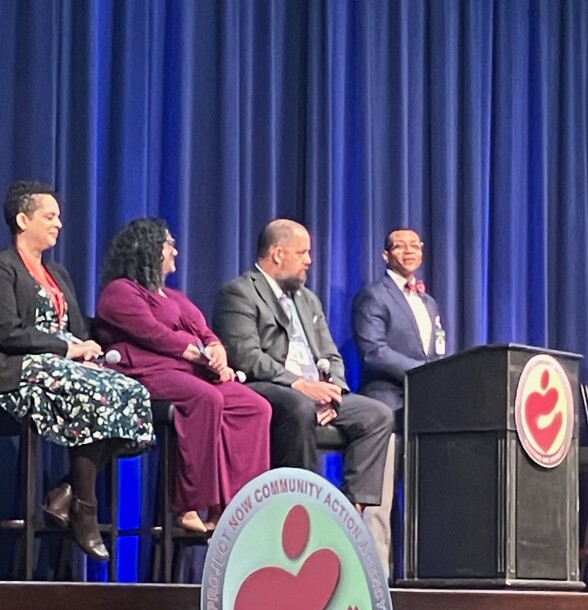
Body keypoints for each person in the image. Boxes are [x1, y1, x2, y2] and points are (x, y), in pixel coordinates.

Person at [0, 181, 153, 561]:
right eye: (49, 216)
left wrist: (87, 349)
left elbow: (78, 328)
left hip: (63, 364)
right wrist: (67, 349)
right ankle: (86, 512)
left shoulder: (57, 272)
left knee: (132, 392)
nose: (59, 224)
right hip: (19, 366)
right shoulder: (4, 268)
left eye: (59, 217)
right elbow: (8, 332)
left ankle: (67, 491)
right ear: (23, 220)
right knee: (92, 393)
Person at [95, 218, 271, 533]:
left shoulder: (174, 297)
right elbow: (154, 335)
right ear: (148, 249)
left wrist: (216, 351)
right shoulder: (120, 292)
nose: (175, 251)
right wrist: (199, 354)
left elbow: (205, 332)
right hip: (144, 371)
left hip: (188, 370)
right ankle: (190, 503)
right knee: (205, 397)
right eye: (169, 244)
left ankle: (236, 508)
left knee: (254, 406)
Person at [212, 219, 393, 516]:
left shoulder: (307, 299)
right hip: (268, 387)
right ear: (277, 254)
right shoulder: (239, 293)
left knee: (377, 415)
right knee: (299, 406)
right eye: (302, 253)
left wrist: (334, 391)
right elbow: (246, 356)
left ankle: (348, 511)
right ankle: (301, 506)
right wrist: (301, 385)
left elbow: (330, 354)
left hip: (315, 390)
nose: (309, 261)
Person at [352, 227, 446, 424]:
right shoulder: (373, 295)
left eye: (415, 246)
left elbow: (437, 348)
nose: (409, 251)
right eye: (400, 246)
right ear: (385, 255)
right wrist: (422, 373)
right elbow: (373, 352)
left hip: (426, 398)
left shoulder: (429, 302)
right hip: (388, 397)